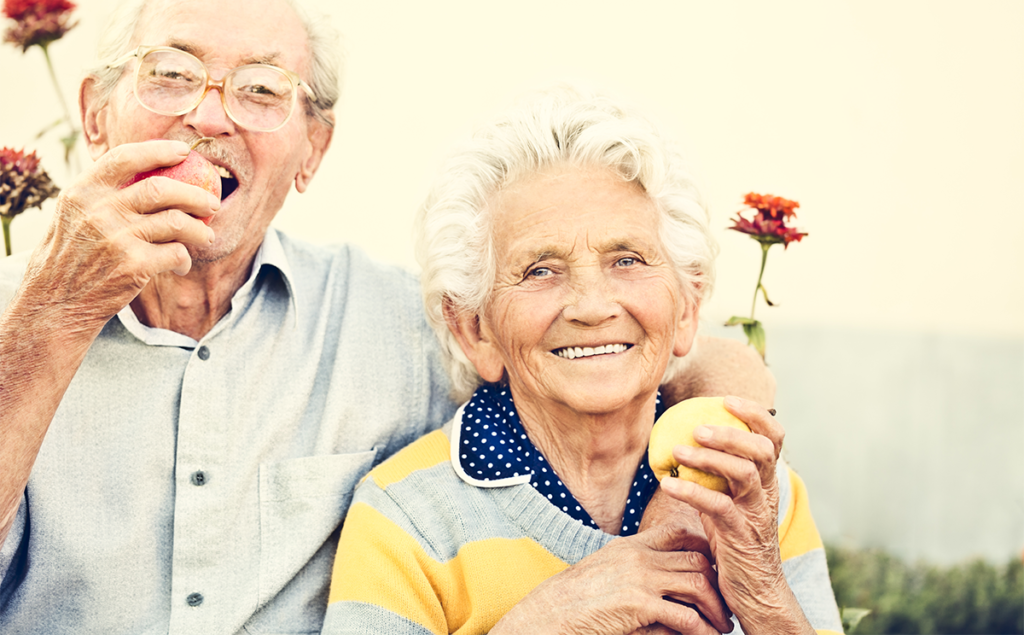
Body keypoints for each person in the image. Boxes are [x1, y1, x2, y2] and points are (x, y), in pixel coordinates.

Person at [0, 0, 774, 635]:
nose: (209, 115)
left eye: (262, 89)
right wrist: (50, 320)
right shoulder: (15, 315)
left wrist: (687, 502)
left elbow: (643, 344)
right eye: (169, 73)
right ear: (96, 114)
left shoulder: (389, 325)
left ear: (313, 149)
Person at [322, 88, 843, 635]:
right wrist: (541, 624)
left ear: (687, 306)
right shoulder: (407, 520)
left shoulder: (754, 490)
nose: (592, 307)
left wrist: (760, 594)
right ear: (475, 328)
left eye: (627, 259)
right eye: (540, 270)